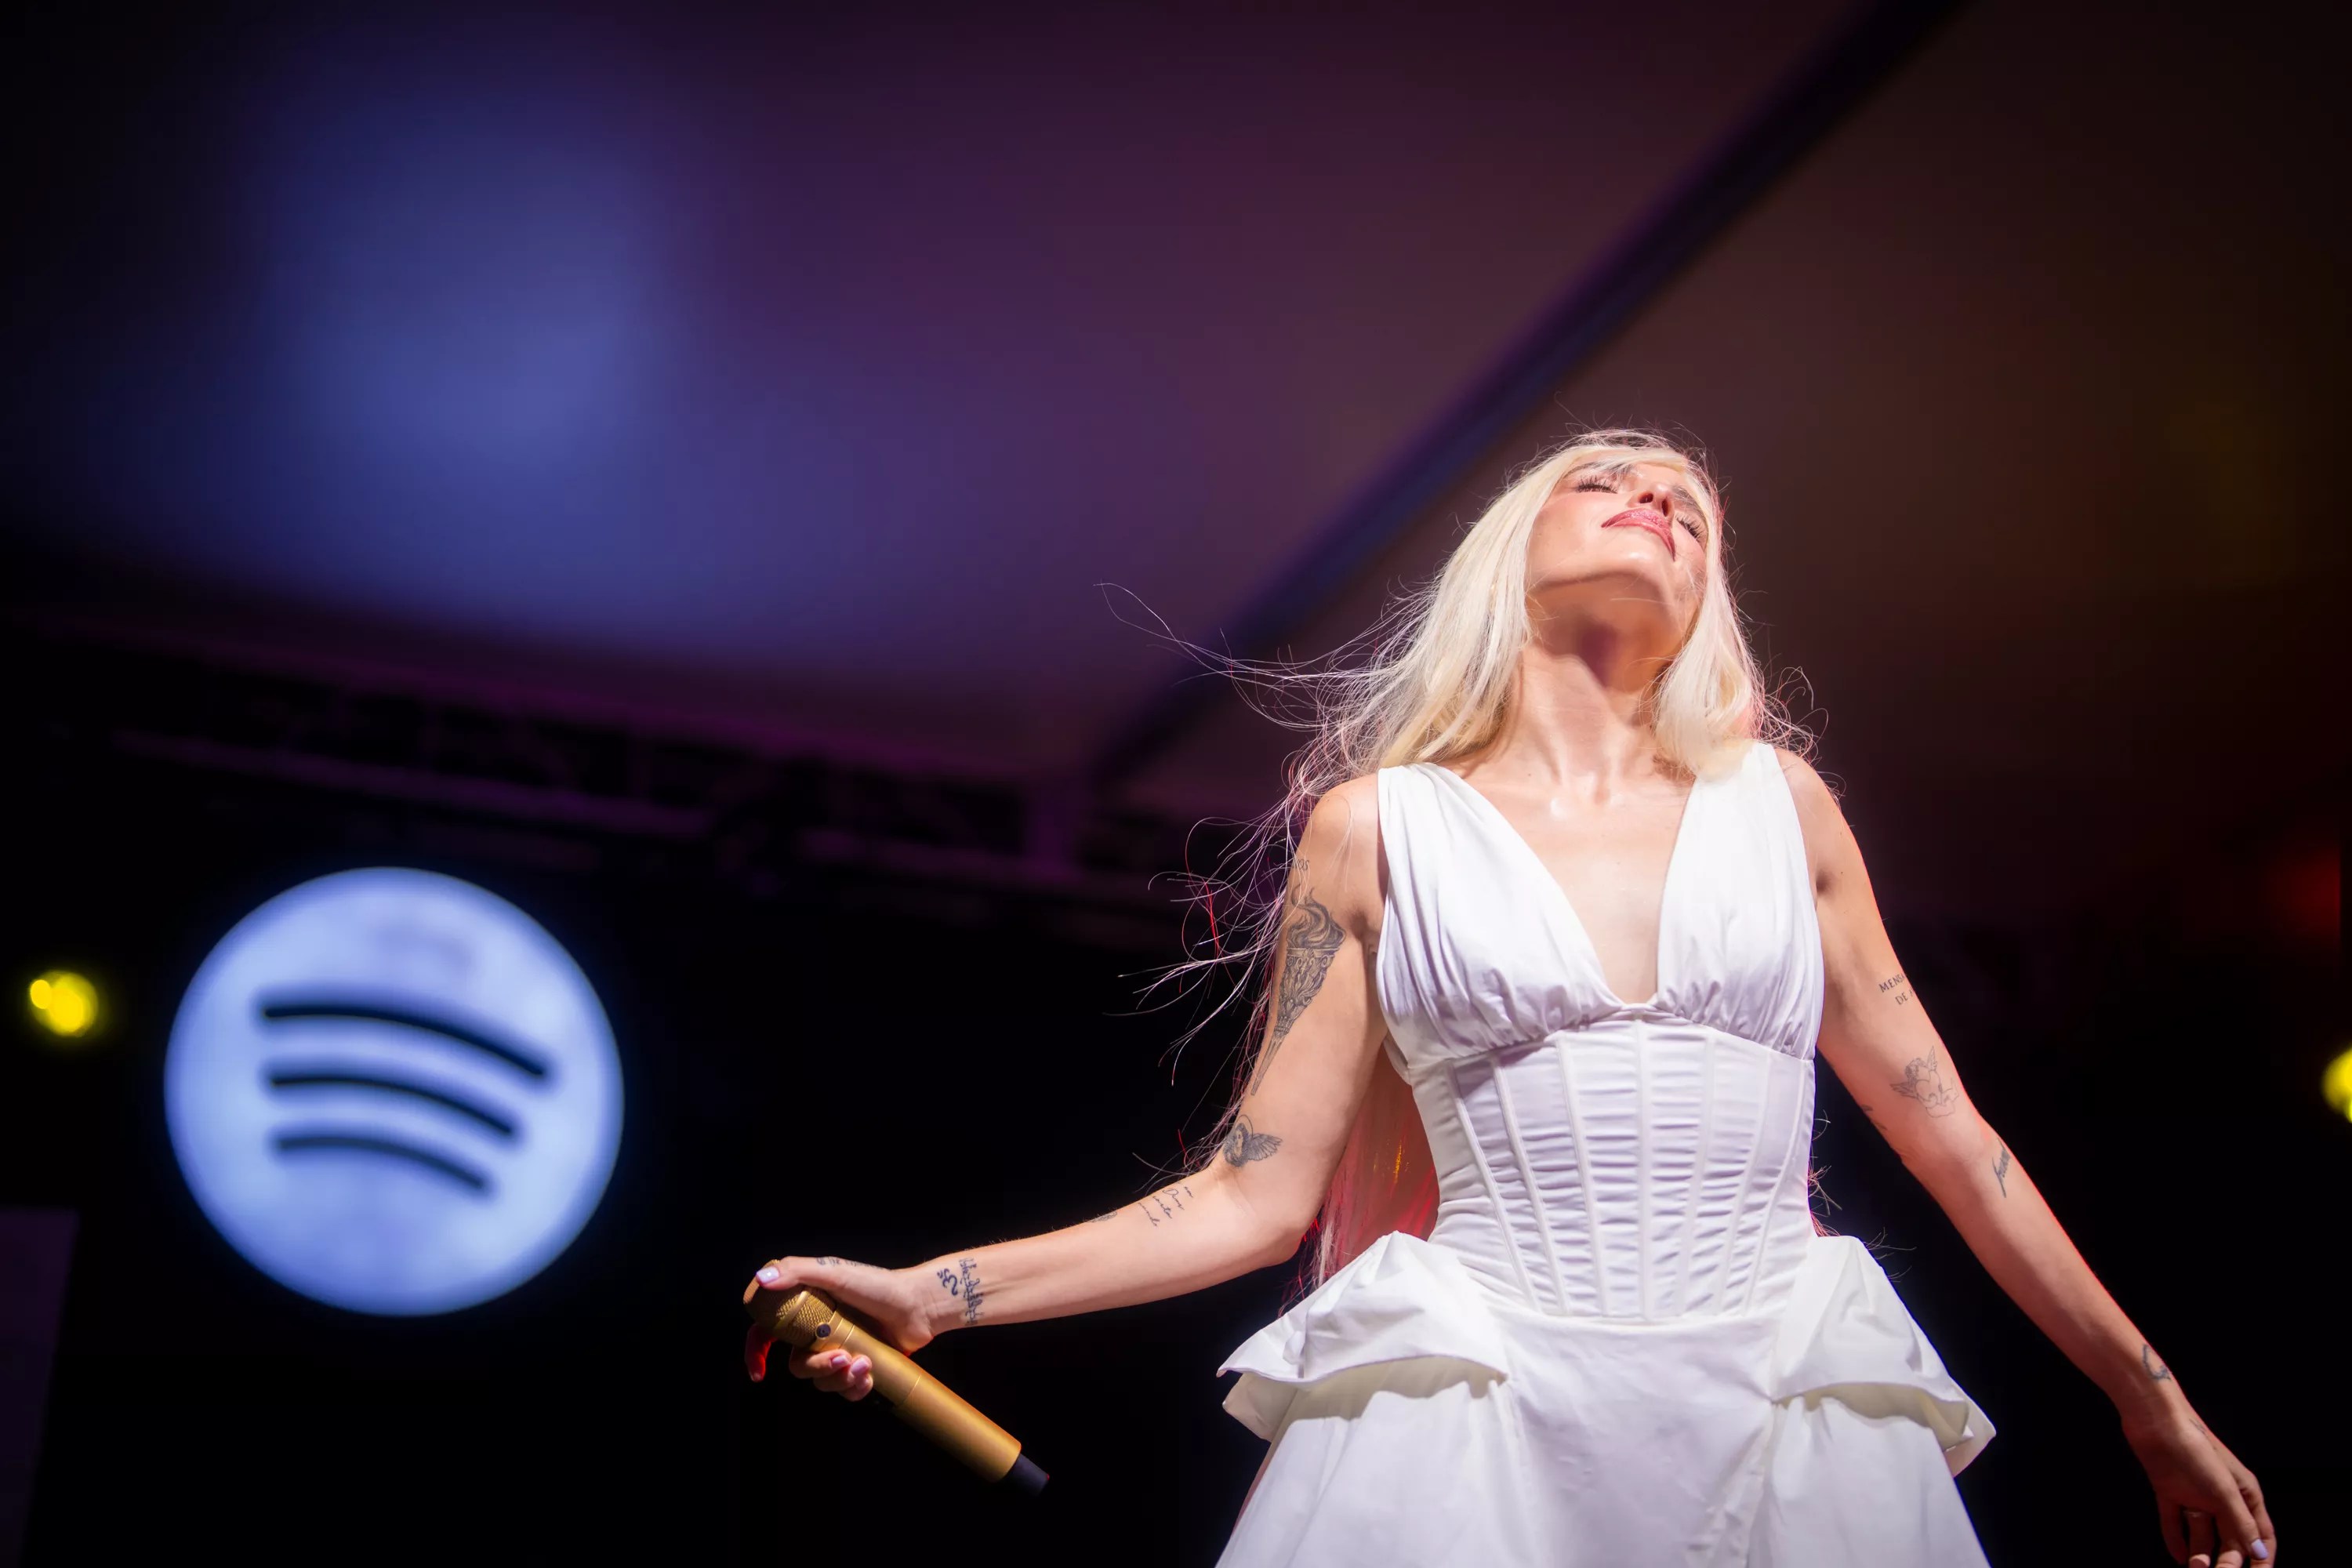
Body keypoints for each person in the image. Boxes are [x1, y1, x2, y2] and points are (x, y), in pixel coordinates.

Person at [741, 430, 2274, 1567]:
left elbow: (1958, 1137)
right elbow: (1246, 1197)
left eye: (1694, 508)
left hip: (1789, 1387)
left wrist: (2151, 1394)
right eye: (1611, 475)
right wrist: (935, 1291)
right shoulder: (1377, 829)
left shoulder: (1782, 809)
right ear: (1508, 551)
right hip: (1474, 1401)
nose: (1660, 500)